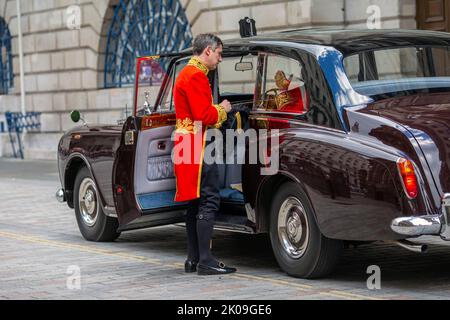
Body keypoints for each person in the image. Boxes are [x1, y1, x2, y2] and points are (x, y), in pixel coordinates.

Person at [173, 33, 236, 275]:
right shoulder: (196, 75)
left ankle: (193, 259)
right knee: (209, 199)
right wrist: (223, 109)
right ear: (207, 51)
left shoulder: (186, 73)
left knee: (194, 202)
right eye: (219, 53)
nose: (220, 59)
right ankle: (206, 260)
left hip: (185, 142)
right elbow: (204, 115)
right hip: (197, 145)